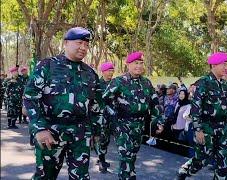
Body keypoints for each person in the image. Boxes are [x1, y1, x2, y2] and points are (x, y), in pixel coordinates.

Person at [23, 27, 103, 179]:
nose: (83, 48)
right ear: (66, 43)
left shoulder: (90, 73)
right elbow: (30, 97)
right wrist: (39, 129)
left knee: (81, 177)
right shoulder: (47, 66)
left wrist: (96, 132)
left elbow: (96, 106)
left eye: (86, 45)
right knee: (45, 176)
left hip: (80, 134)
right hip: (50, 132)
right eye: (79, 43)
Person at [176, 52, 227, 180]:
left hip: (224, 129)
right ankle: (185, 171)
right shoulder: (203, 83)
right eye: (223, 64)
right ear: (214, 65)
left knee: (224, 163)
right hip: (207, 128)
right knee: (202, 159)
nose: (226, 67)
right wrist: (198, 129)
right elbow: (196, 107)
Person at [102, 51, 164, 180]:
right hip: (123, 125)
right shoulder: (118, 82)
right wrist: (113, 119)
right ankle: (127, 177)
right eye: (136, 63)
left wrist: (159, 121)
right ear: (128, 65)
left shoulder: (146, 83)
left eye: (141, 63)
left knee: (133, 155)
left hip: (139, 125)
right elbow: (104, 101)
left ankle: (130, 175)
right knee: (126, 157)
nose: (139, 66)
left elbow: (155, 104)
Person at [94, 62, 115, 173]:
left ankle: (101, 158)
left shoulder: (115, 83)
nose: (111, 72)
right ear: (103, 71)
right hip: (101, 117)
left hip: (114, 117)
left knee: (107, 141)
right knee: (102, 140)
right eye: (108, 70)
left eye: (112, 70)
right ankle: (102, 161)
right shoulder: (98, 84)